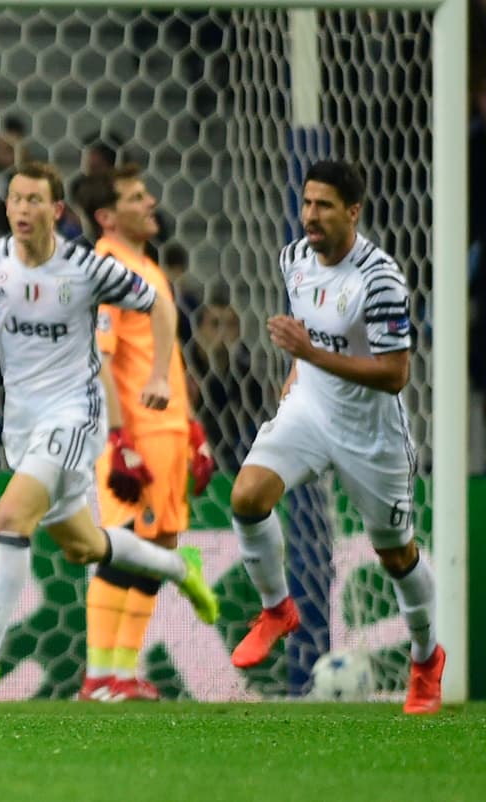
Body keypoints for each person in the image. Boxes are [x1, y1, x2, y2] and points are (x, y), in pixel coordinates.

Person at [0, 162, 218, 695]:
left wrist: (159, 376)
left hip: (76, 416)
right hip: (23, 423)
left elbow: (157, 305)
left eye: (34, 199)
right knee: (86, 546)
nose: (23, 209)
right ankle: (179, 568)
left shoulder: (87, 267)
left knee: (11, 516)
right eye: (16, 199)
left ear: (56, 210)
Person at [228, 160, 443, 715]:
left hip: (372, 436)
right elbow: (312, 326)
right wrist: (298, 373)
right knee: (247, 497)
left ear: (353, 212)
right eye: (306, 203)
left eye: (323, 206)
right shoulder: (294, 258)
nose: (310, 216)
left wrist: (310, 355)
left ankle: (425, 660)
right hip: (309, 411)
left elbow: (394, 374)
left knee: (396, 555)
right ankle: (277, 609)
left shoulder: (380, 279)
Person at [73, 165, 216, 702]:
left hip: (166, 428)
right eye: (135, 197)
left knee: (156, 546)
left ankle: (122, 674)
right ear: (107, 217)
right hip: (134, 432)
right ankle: (98, 675)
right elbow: (100, 360)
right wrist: (117, 439)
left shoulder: (145, 266)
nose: (150, 202)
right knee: (127, 546)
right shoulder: (107, 269)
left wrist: (191, 427)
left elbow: (160, 356)